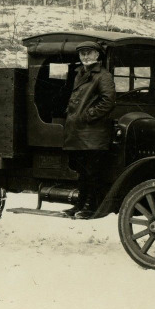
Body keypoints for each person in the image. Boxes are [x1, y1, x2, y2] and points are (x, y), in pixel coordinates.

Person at [63, 41, 117, 219]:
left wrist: (87, 115)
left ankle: (91, 207)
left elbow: (108, 101)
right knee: (82, 172)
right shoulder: (80, 73)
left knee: (92, 172)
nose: (85, 56)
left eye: (89, 53)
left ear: (97, 55)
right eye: (82, 54)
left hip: (93, 133)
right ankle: (80, 204)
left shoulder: (103, 76)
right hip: (78, 132)